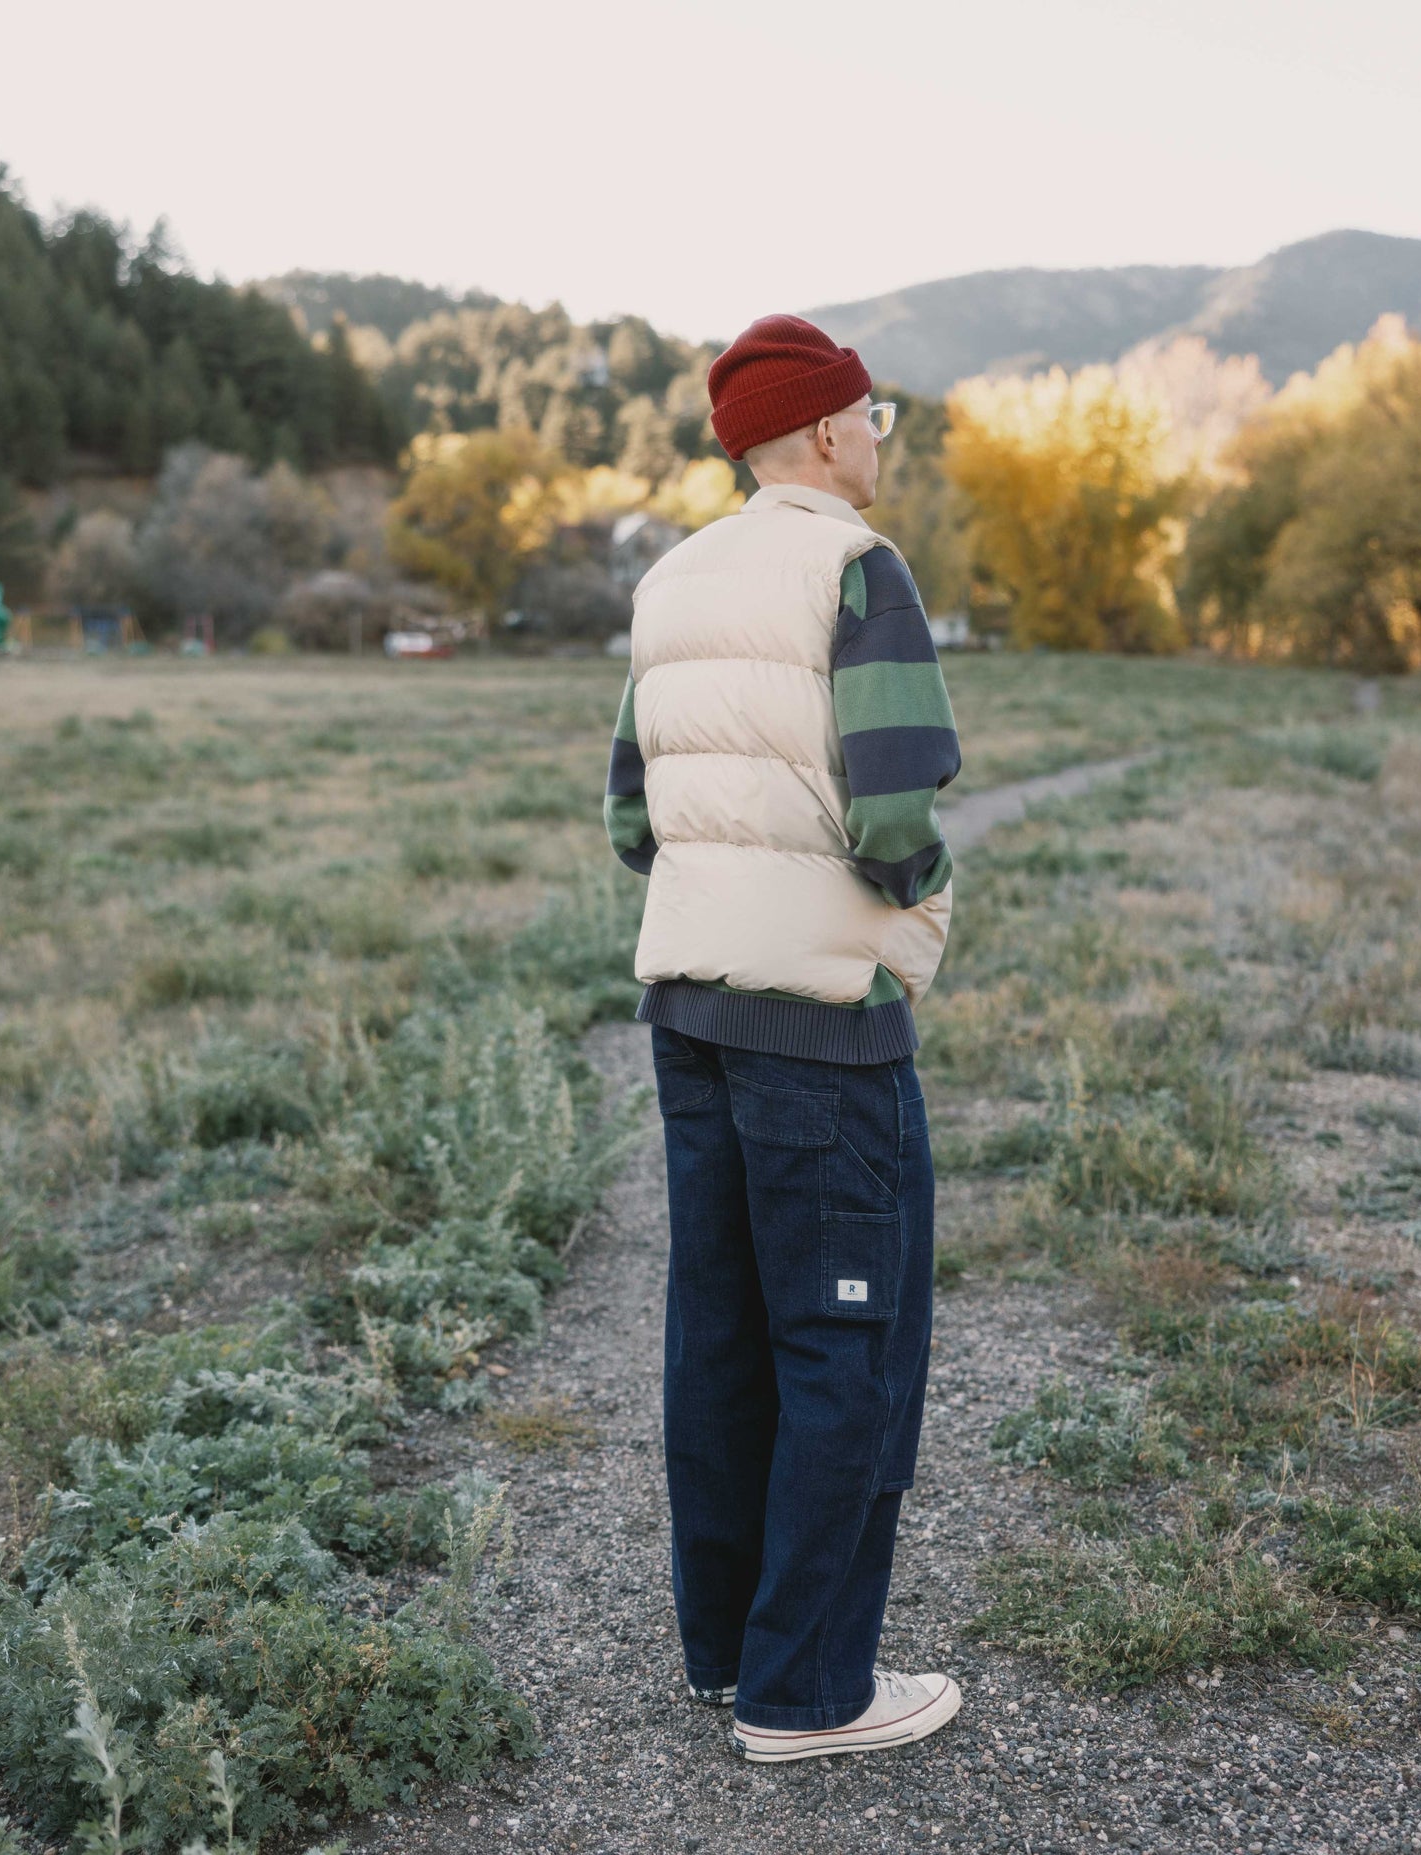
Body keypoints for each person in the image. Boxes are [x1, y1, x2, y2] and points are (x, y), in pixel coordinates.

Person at [603, 314, 962, 1763]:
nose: (885, 439)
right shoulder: (856, 570)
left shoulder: (671, 578)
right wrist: (916, 901)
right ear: (823, 432)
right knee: (847, 1341)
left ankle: (726, 1649)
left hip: (690, 1006)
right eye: (876, 418)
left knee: (724, 1331)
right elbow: (892, 810)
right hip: (819, 1025)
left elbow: (633, 816)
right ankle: (808, 1690)